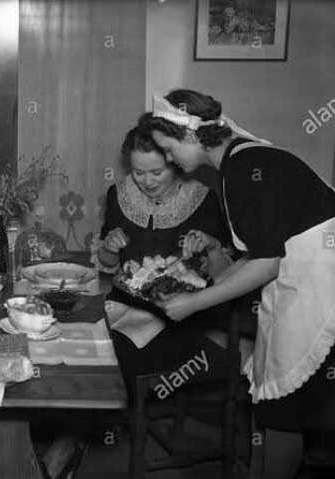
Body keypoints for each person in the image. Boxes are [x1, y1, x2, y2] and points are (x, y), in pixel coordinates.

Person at [139, 88, 335, 479]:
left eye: (167, 148)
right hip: (303, 278)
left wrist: (194, 303)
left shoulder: (246, 168)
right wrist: (211, 266)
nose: (168, 158)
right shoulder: (243, 158)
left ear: (190, 136)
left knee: (284, 413)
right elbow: (265, 247)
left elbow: (266, 264)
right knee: (274, 402)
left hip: (321, 286)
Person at [96, 126, 235, 402]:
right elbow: (107, 264)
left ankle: (121, 423)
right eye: (138, 172)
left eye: (156, 172)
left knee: (122, 355)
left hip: (182, 317)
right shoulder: (118, 195)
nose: (147, 181)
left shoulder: (202, 198)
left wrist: (211, 246)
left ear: (176, 163)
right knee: (92, 350)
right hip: (125, 308)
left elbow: (227, 276)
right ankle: (93, 429)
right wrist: (109, 248)